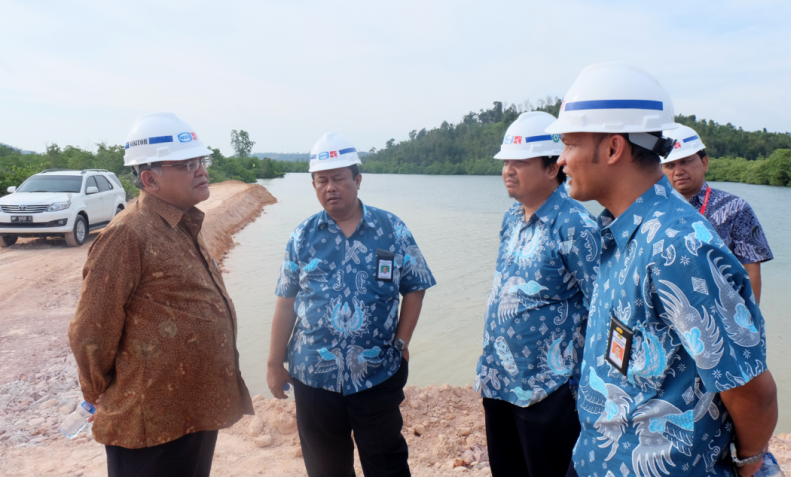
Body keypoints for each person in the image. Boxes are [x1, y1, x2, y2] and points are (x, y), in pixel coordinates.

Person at [547, 63, 778, 477]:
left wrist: (749, 464)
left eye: (568, 143)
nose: (561, 159)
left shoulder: (680, 246)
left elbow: (750, 390)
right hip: (599, 459)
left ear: (613, 148)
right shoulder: (619, 232)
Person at [68, 113, 253, 477]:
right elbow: (91, 326)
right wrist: (96, 389)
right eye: (187, 164)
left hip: (192, 408)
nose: (201, 170)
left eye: (201, 161)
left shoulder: (183, 222)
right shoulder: (128, 235)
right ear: (150, 179)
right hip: (150, 420)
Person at [266, 132, 436, 477]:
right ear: (313, 185)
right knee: (327, 469)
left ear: (357, 180)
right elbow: (285, 303)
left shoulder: (391, 229)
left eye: (339, 178)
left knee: (387, 464)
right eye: (322, 180)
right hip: (314, 376)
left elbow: (415, 287)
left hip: (376, 372)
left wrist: (402, 342)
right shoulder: (302, 237)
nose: (330, 187)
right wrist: (273, 362)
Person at [474, 112, 599, 477]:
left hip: (550, 388)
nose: (508, 170)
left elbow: (601, 306)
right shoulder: (511, 218)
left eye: (520, 162)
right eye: (506, 162)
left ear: (551, 168)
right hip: (498, 380)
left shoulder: (575, 224)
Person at [661, 124, 773, 302]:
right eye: (669, 165)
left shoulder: (735, 208)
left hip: (725, 313)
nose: (678, 171)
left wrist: (752, 320)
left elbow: (751, 269)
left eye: (686, 161)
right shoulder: (657, 210)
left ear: (704, 163)